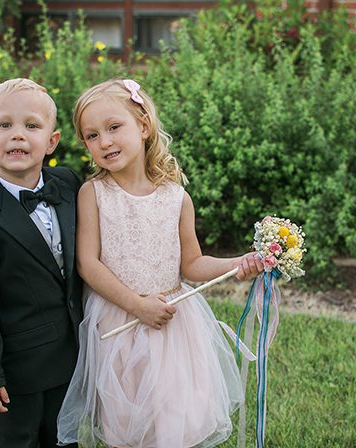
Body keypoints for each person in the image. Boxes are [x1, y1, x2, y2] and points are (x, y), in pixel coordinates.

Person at [56, 79, 264, 447]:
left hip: (172, 324)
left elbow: (194, 263)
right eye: (91, 135)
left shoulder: (176, 198)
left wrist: (239, 262)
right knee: (127, 424)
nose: (104, 141)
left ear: (144, 125)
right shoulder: (94, 194)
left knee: (174, 420)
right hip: (120, 321)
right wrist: (137, 305)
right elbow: (88, 265)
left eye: (114, 127)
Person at [0, 78, 84, 448]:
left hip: (73, 355)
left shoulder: (67, 184)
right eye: (4, 125)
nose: (18, 136)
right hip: (18, 371)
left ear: (52, 142)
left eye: (32, 126)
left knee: (65, 437)